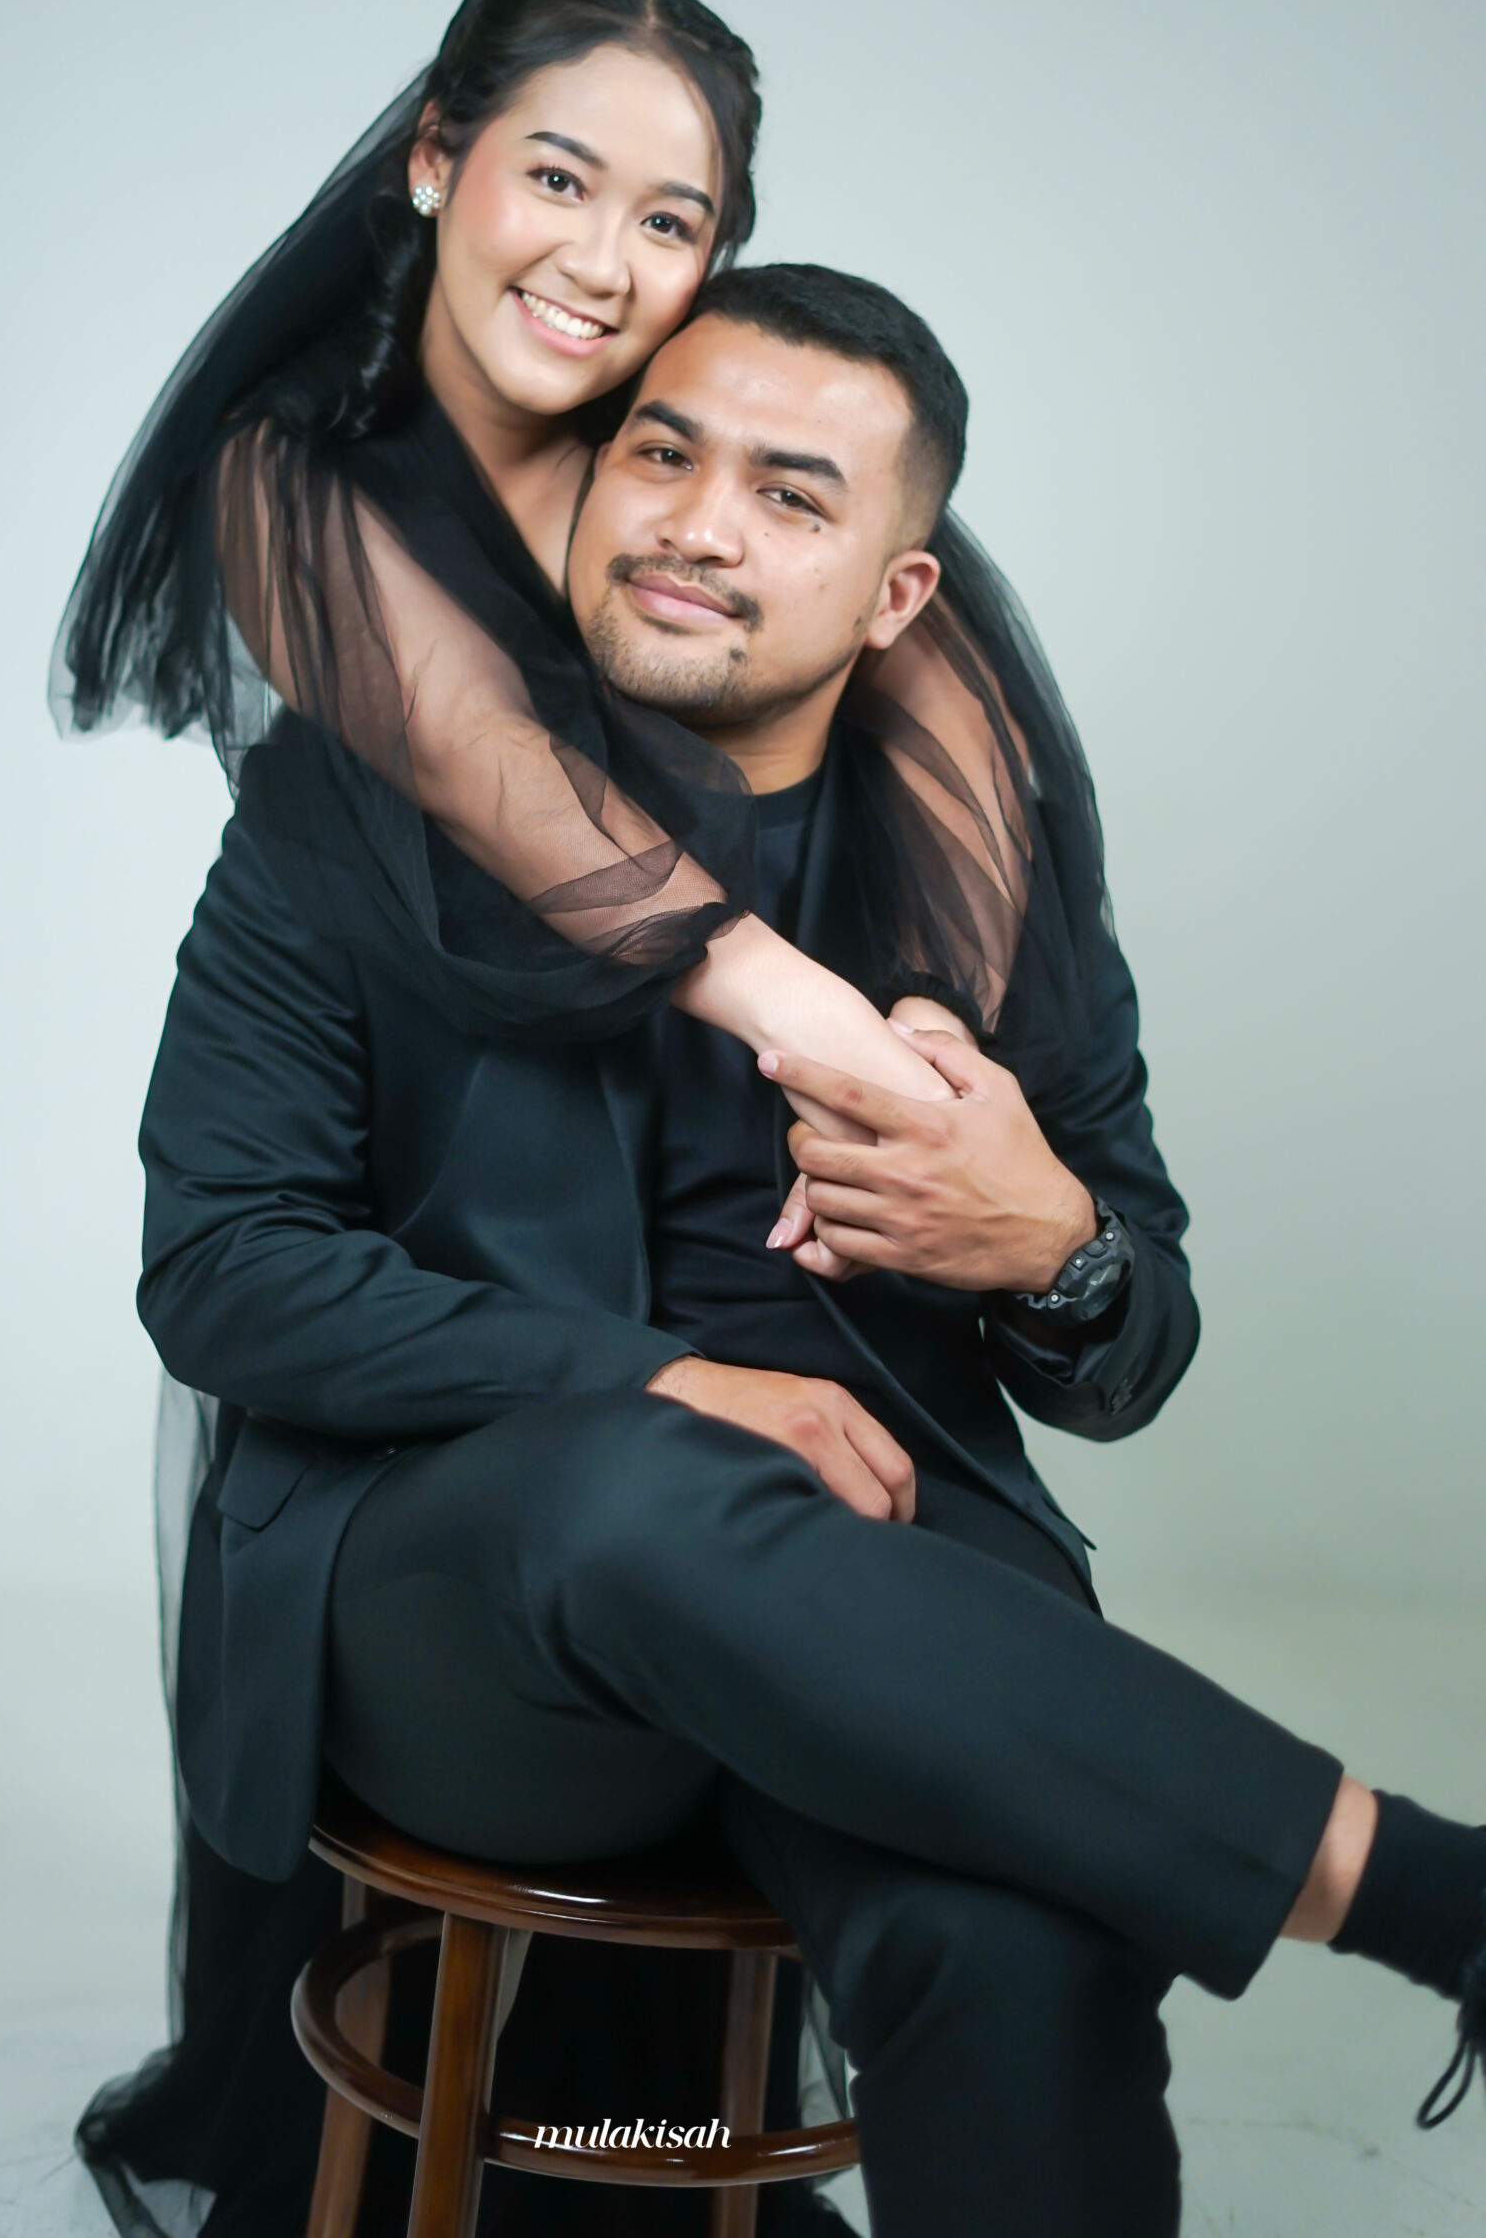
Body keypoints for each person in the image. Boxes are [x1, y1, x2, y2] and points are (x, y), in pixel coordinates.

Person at [132, 265, 1485, 2237]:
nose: (695, 522)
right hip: (474, 1605)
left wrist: (1049, 1241)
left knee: (1019, 1942)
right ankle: (1431, 1891)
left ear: (894, 592)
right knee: (629, 1485)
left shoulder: (976, 857)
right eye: (658, 453)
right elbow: (225, 1270)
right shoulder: (355, 805)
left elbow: (1135, 1334)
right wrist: (662, 1383)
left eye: (788, 493)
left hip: (886, 1585)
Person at [55, 0, 1116, 2233]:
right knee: (589, 1523)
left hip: (805, 1395)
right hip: (493, 1430)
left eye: (674, 220)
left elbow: (974, 816)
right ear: (434, 158)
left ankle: (681, 2154)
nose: (605, 264)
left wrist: (1012, 1179)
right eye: (557, 176)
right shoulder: (320, 530)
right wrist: (825, 1046)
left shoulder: (759, 491)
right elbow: (514, 826)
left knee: (991, 1906)